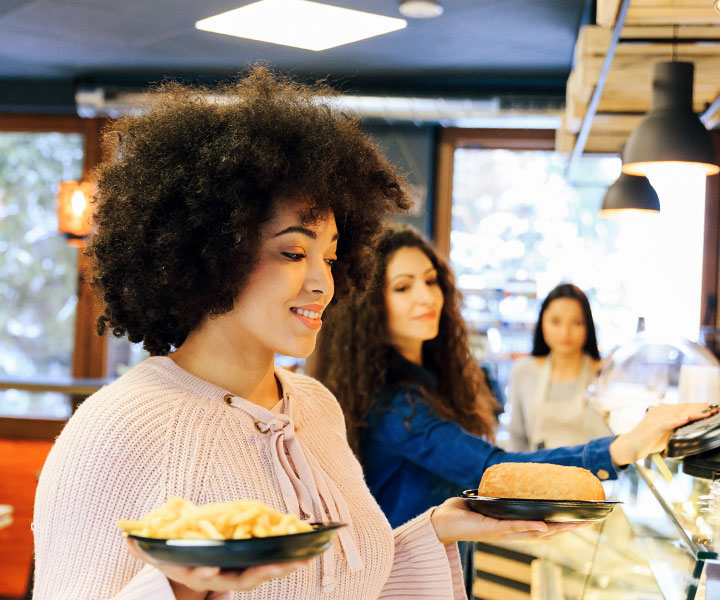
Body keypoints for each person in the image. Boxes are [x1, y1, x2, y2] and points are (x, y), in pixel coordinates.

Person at [32, 69, 582, 600]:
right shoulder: (117, 430)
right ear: (212, 251)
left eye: (332, 255)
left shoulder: (315, 407)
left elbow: (344, 586)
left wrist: (439, 527)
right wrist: (181, 586)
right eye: (294, 252)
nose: (324, 283)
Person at [311, 227, 714, 528]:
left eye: (431, 281)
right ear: (369, 306)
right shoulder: (398, 405)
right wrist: (623, 447)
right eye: (403, 287)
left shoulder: (429, 382)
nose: (426, 296)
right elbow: (496, 470)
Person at [506, 283, 612, 452]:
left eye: (576, 322)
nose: (565, 332)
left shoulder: (604, 374)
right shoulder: (523, 371)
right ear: (542, 323)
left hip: (592, 476)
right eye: (555, 322)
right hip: (535, 474)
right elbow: (517, 439)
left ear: (588, 326)